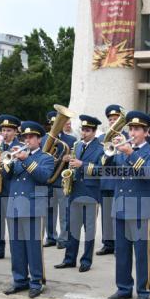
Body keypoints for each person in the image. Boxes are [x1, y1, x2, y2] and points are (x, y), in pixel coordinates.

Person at [104, 111, 150, 299]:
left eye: (137, 129)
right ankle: (123, 288)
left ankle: (144, 290)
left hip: (140, 208)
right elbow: (107, 168)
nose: (132, 132)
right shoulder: (121, 151)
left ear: (146, 132)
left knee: (141, 253)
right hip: (120, 206)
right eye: (131, 128)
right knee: (121, 252)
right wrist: (113, 150)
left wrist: (131, 153)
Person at [2, 121, 55, 298]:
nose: (27, 140)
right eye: (25, 137)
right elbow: (7, 177)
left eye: (31, 137)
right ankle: (19, 280)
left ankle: (37, 281)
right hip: (15, 205)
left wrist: (26, 159)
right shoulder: (17, 156)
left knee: (33, 248)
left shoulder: (45, 157)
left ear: (39, 139)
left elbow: (43, 177)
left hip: (33, 207)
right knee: (16, 247)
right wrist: (7, 162)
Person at [55, 115, 103, 272]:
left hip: (90, 192)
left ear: (94, 132)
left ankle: (86, 261)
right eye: (83, 129)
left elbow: (101, 171)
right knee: (72, 227)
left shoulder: (101, 148)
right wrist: (70, 161)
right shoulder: (77, 145)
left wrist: (82, 164)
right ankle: (69, 259)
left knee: (89, 229)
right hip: (75, 190)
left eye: (87, 130)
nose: (84, 133)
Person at [0, 114, 22, 261]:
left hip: (12, 189)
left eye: (8, 130)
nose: (5, 133)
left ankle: (17, 250)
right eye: (3, 130)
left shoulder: (19, 147)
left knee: (14, 223)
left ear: (15, 132)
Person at [96, 104, 128, 256]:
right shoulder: (102, 138)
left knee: (119, 214)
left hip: (121, 181)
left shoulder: (127, 136)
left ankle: (120, 245)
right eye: (111, 120)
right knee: (106, 214)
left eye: (116, 119)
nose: (113, 122)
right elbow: (99, 159)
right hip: (105, 180)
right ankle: (108, 243)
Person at [43, 110, 76, 249]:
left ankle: (63, 238)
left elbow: (74, 162)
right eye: (52, 124)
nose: (54, 126)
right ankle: (51, 237)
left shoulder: (70, 140)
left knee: (64, 211)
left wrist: (68, 160)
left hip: (60, 180)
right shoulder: (42, 139)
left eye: (56, 123)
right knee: (48, 211)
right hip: (45, 180)